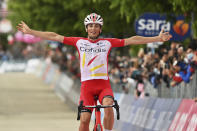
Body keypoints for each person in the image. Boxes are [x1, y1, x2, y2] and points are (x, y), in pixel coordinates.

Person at [17, 13, 172, 131]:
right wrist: (31, 31)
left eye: (96, 25)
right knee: (84, 119)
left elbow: (133, 40)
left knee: (109, 107)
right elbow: (54, 36)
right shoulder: (79, 42)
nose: (93, 28)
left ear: (100, 29)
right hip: (87, 87)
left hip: (103, 85)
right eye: (90, 25)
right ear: (86, 28)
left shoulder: (107, 43)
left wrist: (157, 38)